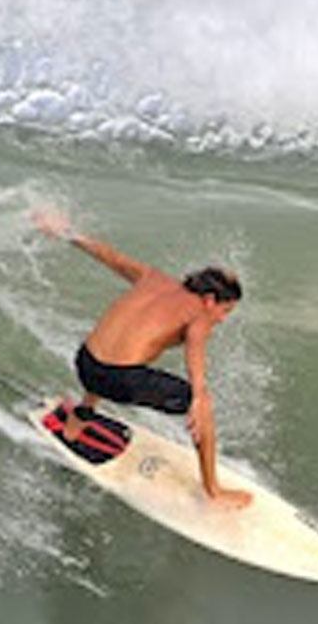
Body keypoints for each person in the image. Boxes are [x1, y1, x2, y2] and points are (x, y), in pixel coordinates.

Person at [33, 208, 253, 509]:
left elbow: (109, 256)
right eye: (225, 311)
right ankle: (213, 490)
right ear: (209, 300)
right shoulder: (199, 316)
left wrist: (66, 231)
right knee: (201, 404)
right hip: (117, 380)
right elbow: (195, 352)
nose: (222, 320)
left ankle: (80, 416)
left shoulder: (152, 277)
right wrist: (199, 397)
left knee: (124, 348)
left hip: (85, 362)